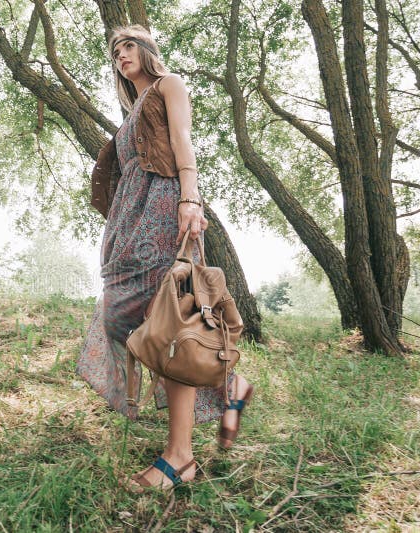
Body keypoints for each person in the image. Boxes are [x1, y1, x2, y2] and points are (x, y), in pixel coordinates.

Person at [77, 25, 254, 490]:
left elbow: (183, 140)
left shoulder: (168, 84)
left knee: (170, 320)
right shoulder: (129, 111)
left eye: (129, 45)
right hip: (130, 214)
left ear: (148, 50)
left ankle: (180, 457)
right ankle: (230, 388)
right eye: (115, 51)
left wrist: (190, 201)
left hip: (163, 204)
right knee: (124, 314)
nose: (121, 55)